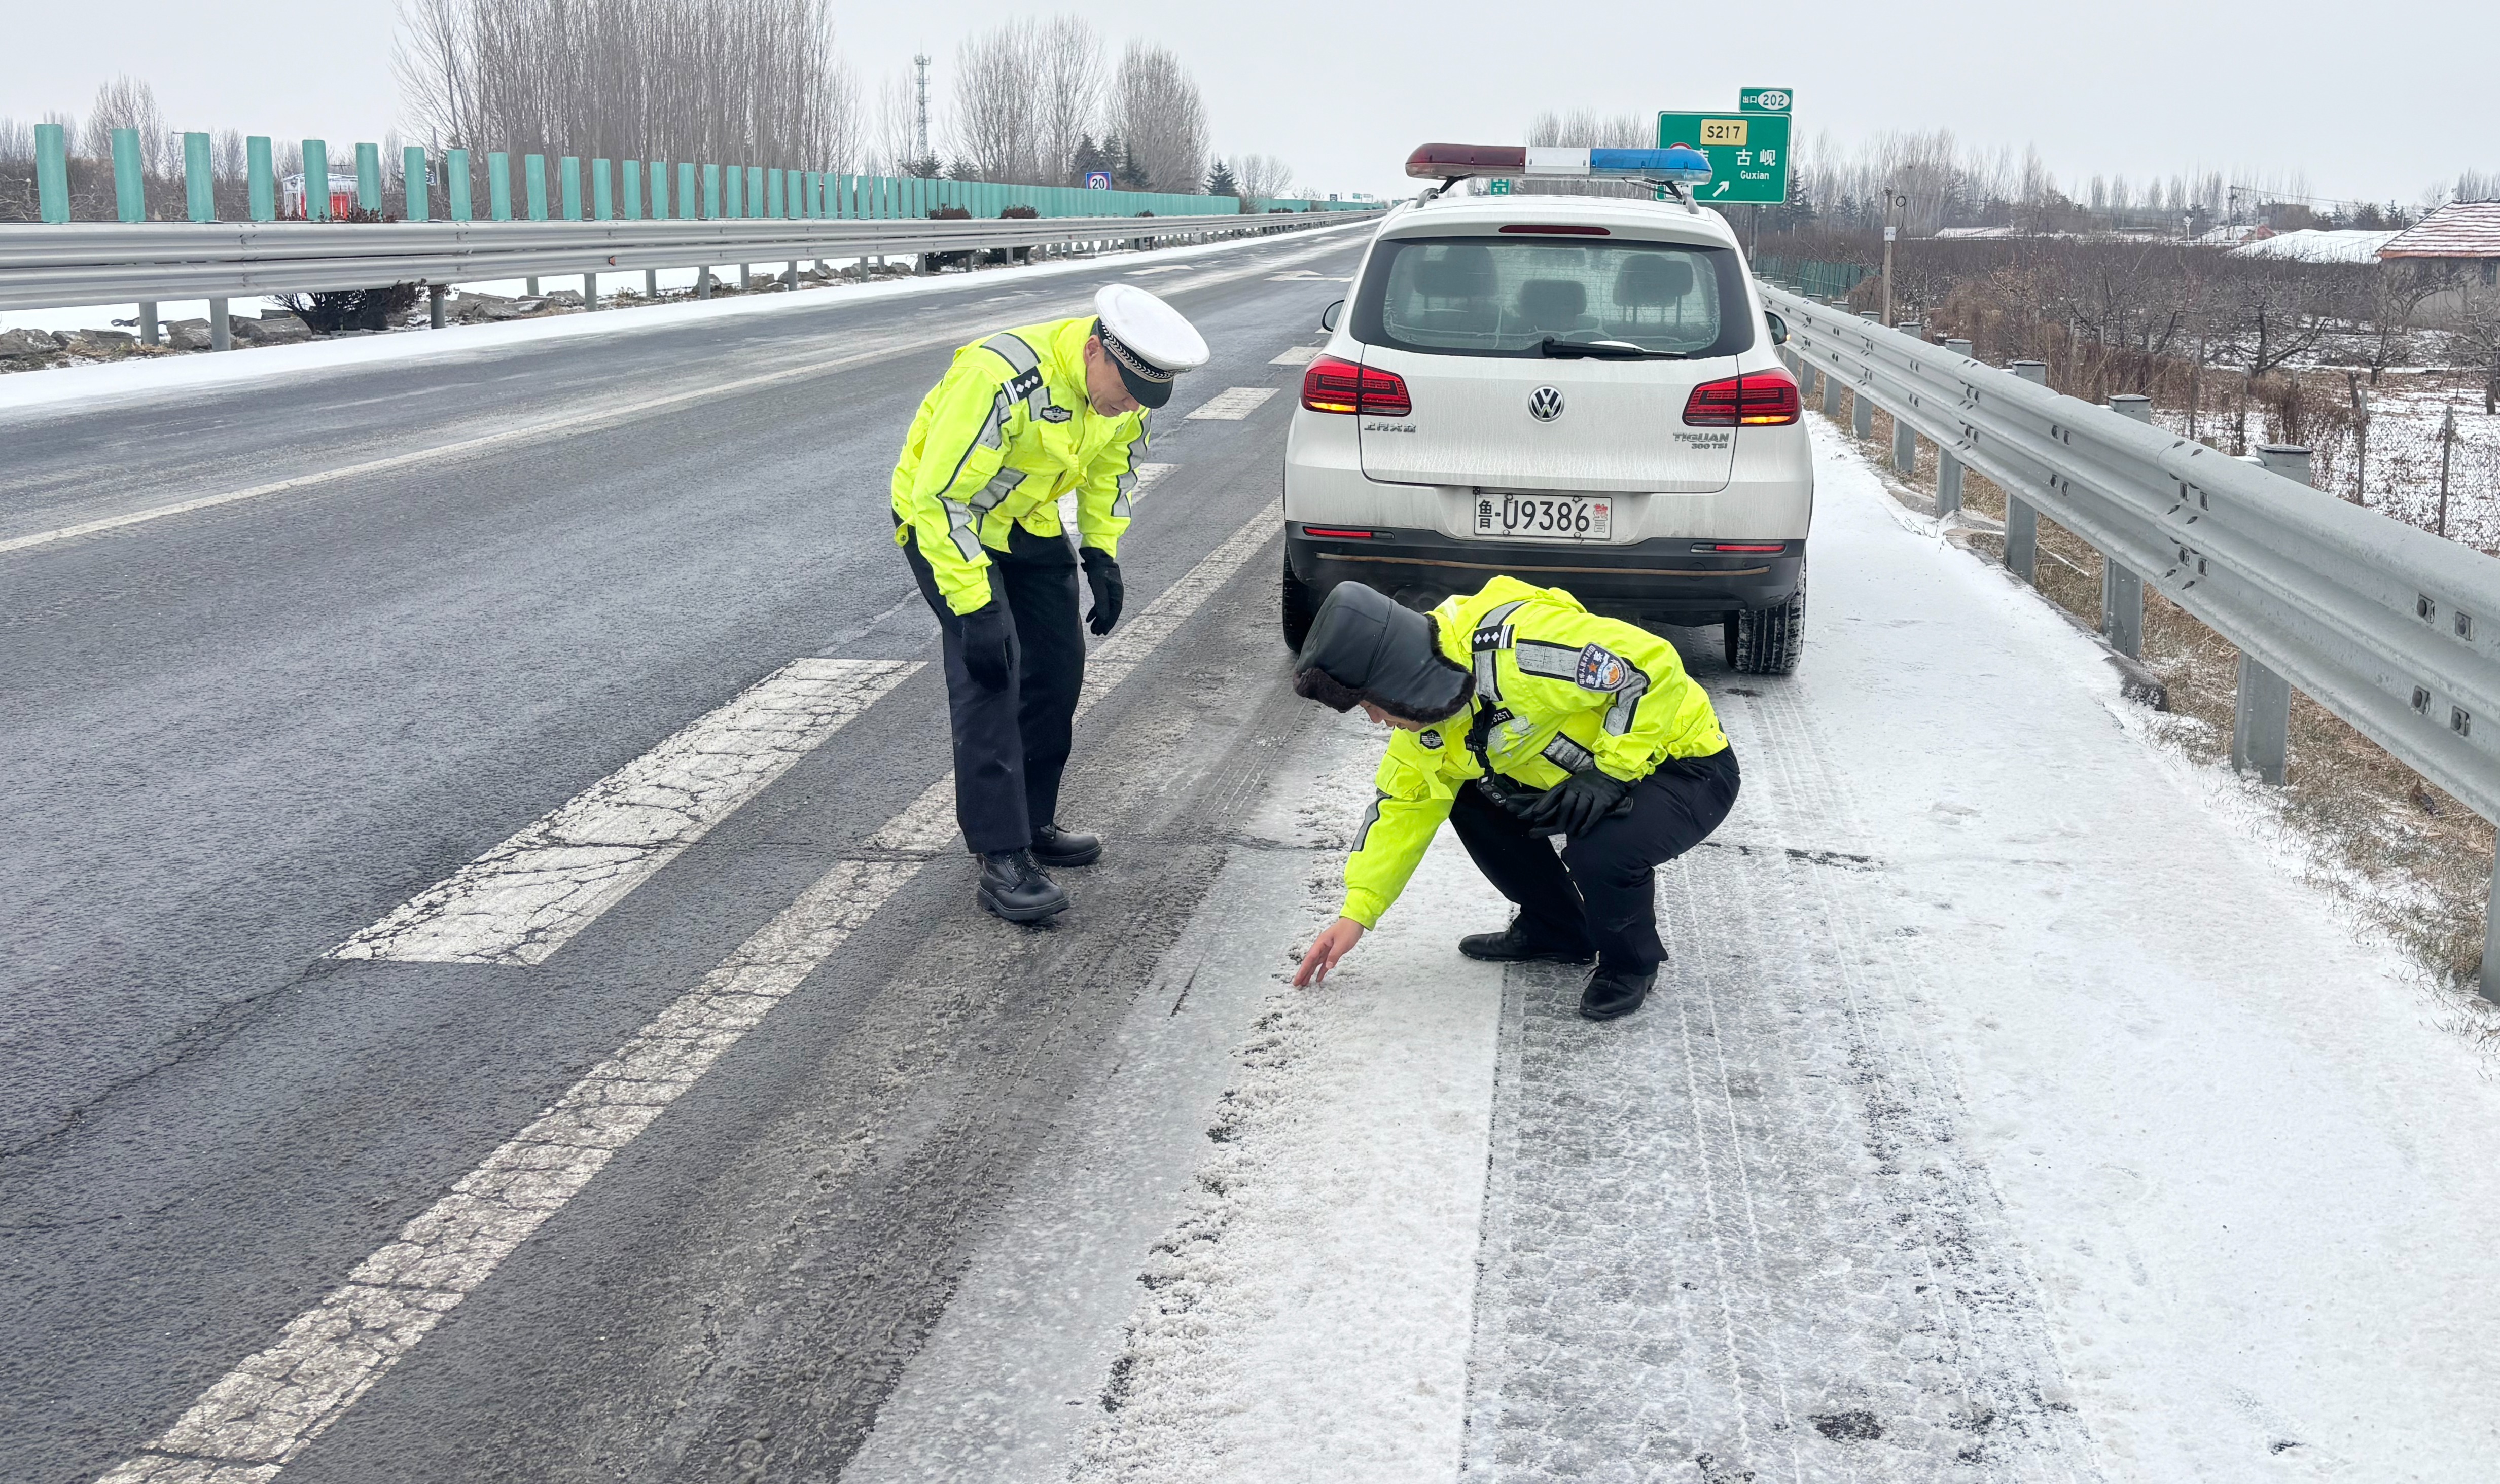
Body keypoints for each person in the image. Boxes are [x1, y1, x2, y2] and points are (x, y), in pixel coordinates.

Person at [890, 282, 1209, 924]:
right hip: (947, 528)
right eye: (1121, 392)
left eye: (1139, 401)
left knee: (1058, 673)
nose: (1126, 407)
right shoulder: (999, 378)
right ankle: (1001, 855)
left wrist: (1101, 552)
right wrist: (974, 606)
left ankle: (1034, 822)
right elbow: (939, 500)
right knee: (992, 672)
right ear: (1096, 351)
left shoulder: (1126, 395)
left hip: (1025, 523)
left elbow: (1110, 473)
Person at [1287, 577, 1740, 1019]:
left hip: (1684, 762)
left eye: (1371, 706)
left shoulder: (1518, 650)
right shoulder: (1429, 724)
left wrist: (1611, 772)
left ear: (1397, 680)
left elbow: (1650, 667)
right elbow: (1403, 806)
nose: (1376, 721)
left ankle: (1630, 964)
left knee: (1599, 851)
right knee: (1465, 794)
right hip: (1588, 774)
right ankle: (1558, 930)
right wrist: (1357, 913)